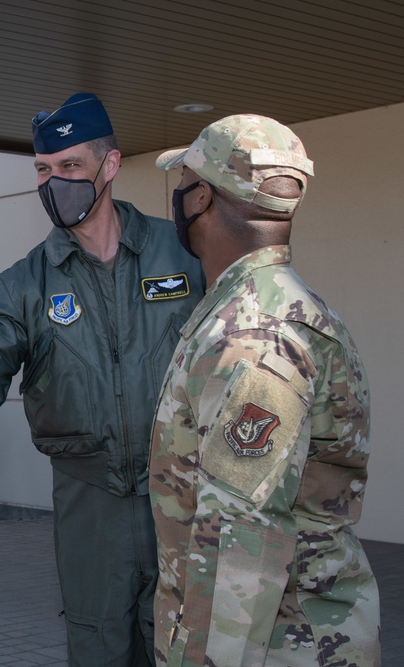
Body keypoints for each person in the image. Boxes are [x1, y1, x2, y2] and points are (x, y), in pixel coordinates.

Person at [0, 92, 204, 666]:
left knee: (186, 645)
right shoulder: (25, 284)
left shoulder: (183, 254)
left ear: (109, 166)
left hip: (183, 499)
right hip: (89, 505)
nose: (54, 183)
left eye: (70, 167)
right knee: (97, 645)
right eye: (43, 170)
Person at [149, 115, 380, 666]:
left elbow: (239, 539)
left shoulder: (254, 338)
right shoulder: (266, 311)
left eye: (182, 182)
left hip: (278, 646)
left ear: (199, 197)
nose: (178, 196)